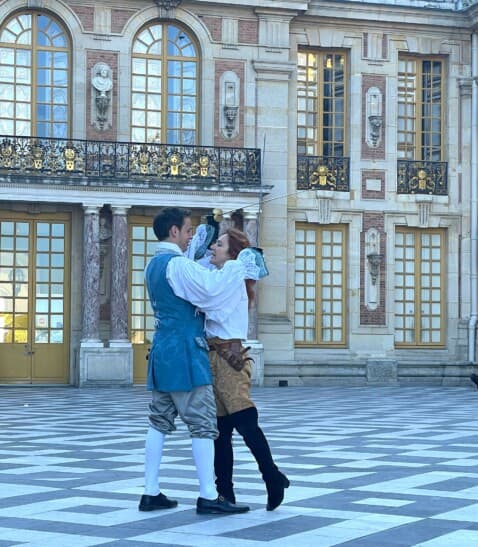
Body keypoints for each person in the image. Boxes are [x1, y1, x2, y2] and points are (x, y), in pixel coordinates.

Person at [139, 207, 256, 515]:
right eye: (189, 230)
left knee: (159, 420)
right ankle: (208, 495)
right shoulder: (178, 265)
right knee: (203, 424)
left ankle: (150, 491)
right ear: (174, 231)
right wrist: (234, 267)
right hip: (185, 353)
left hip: (162, 347)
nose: (193, 236)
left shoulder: (153, 265)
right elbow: (209, 292)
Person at [205, 228, 290, 511]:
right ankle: (226, 493)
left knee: (244, 422)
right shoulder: (223, 275)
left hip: (229, 358)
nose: (213, 248)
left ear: (232, 253)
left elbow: (212, 308)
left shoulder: (231, 275)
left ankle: (272, 476)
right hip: (214, 357)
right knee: (221, 431)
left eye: (219, 244)